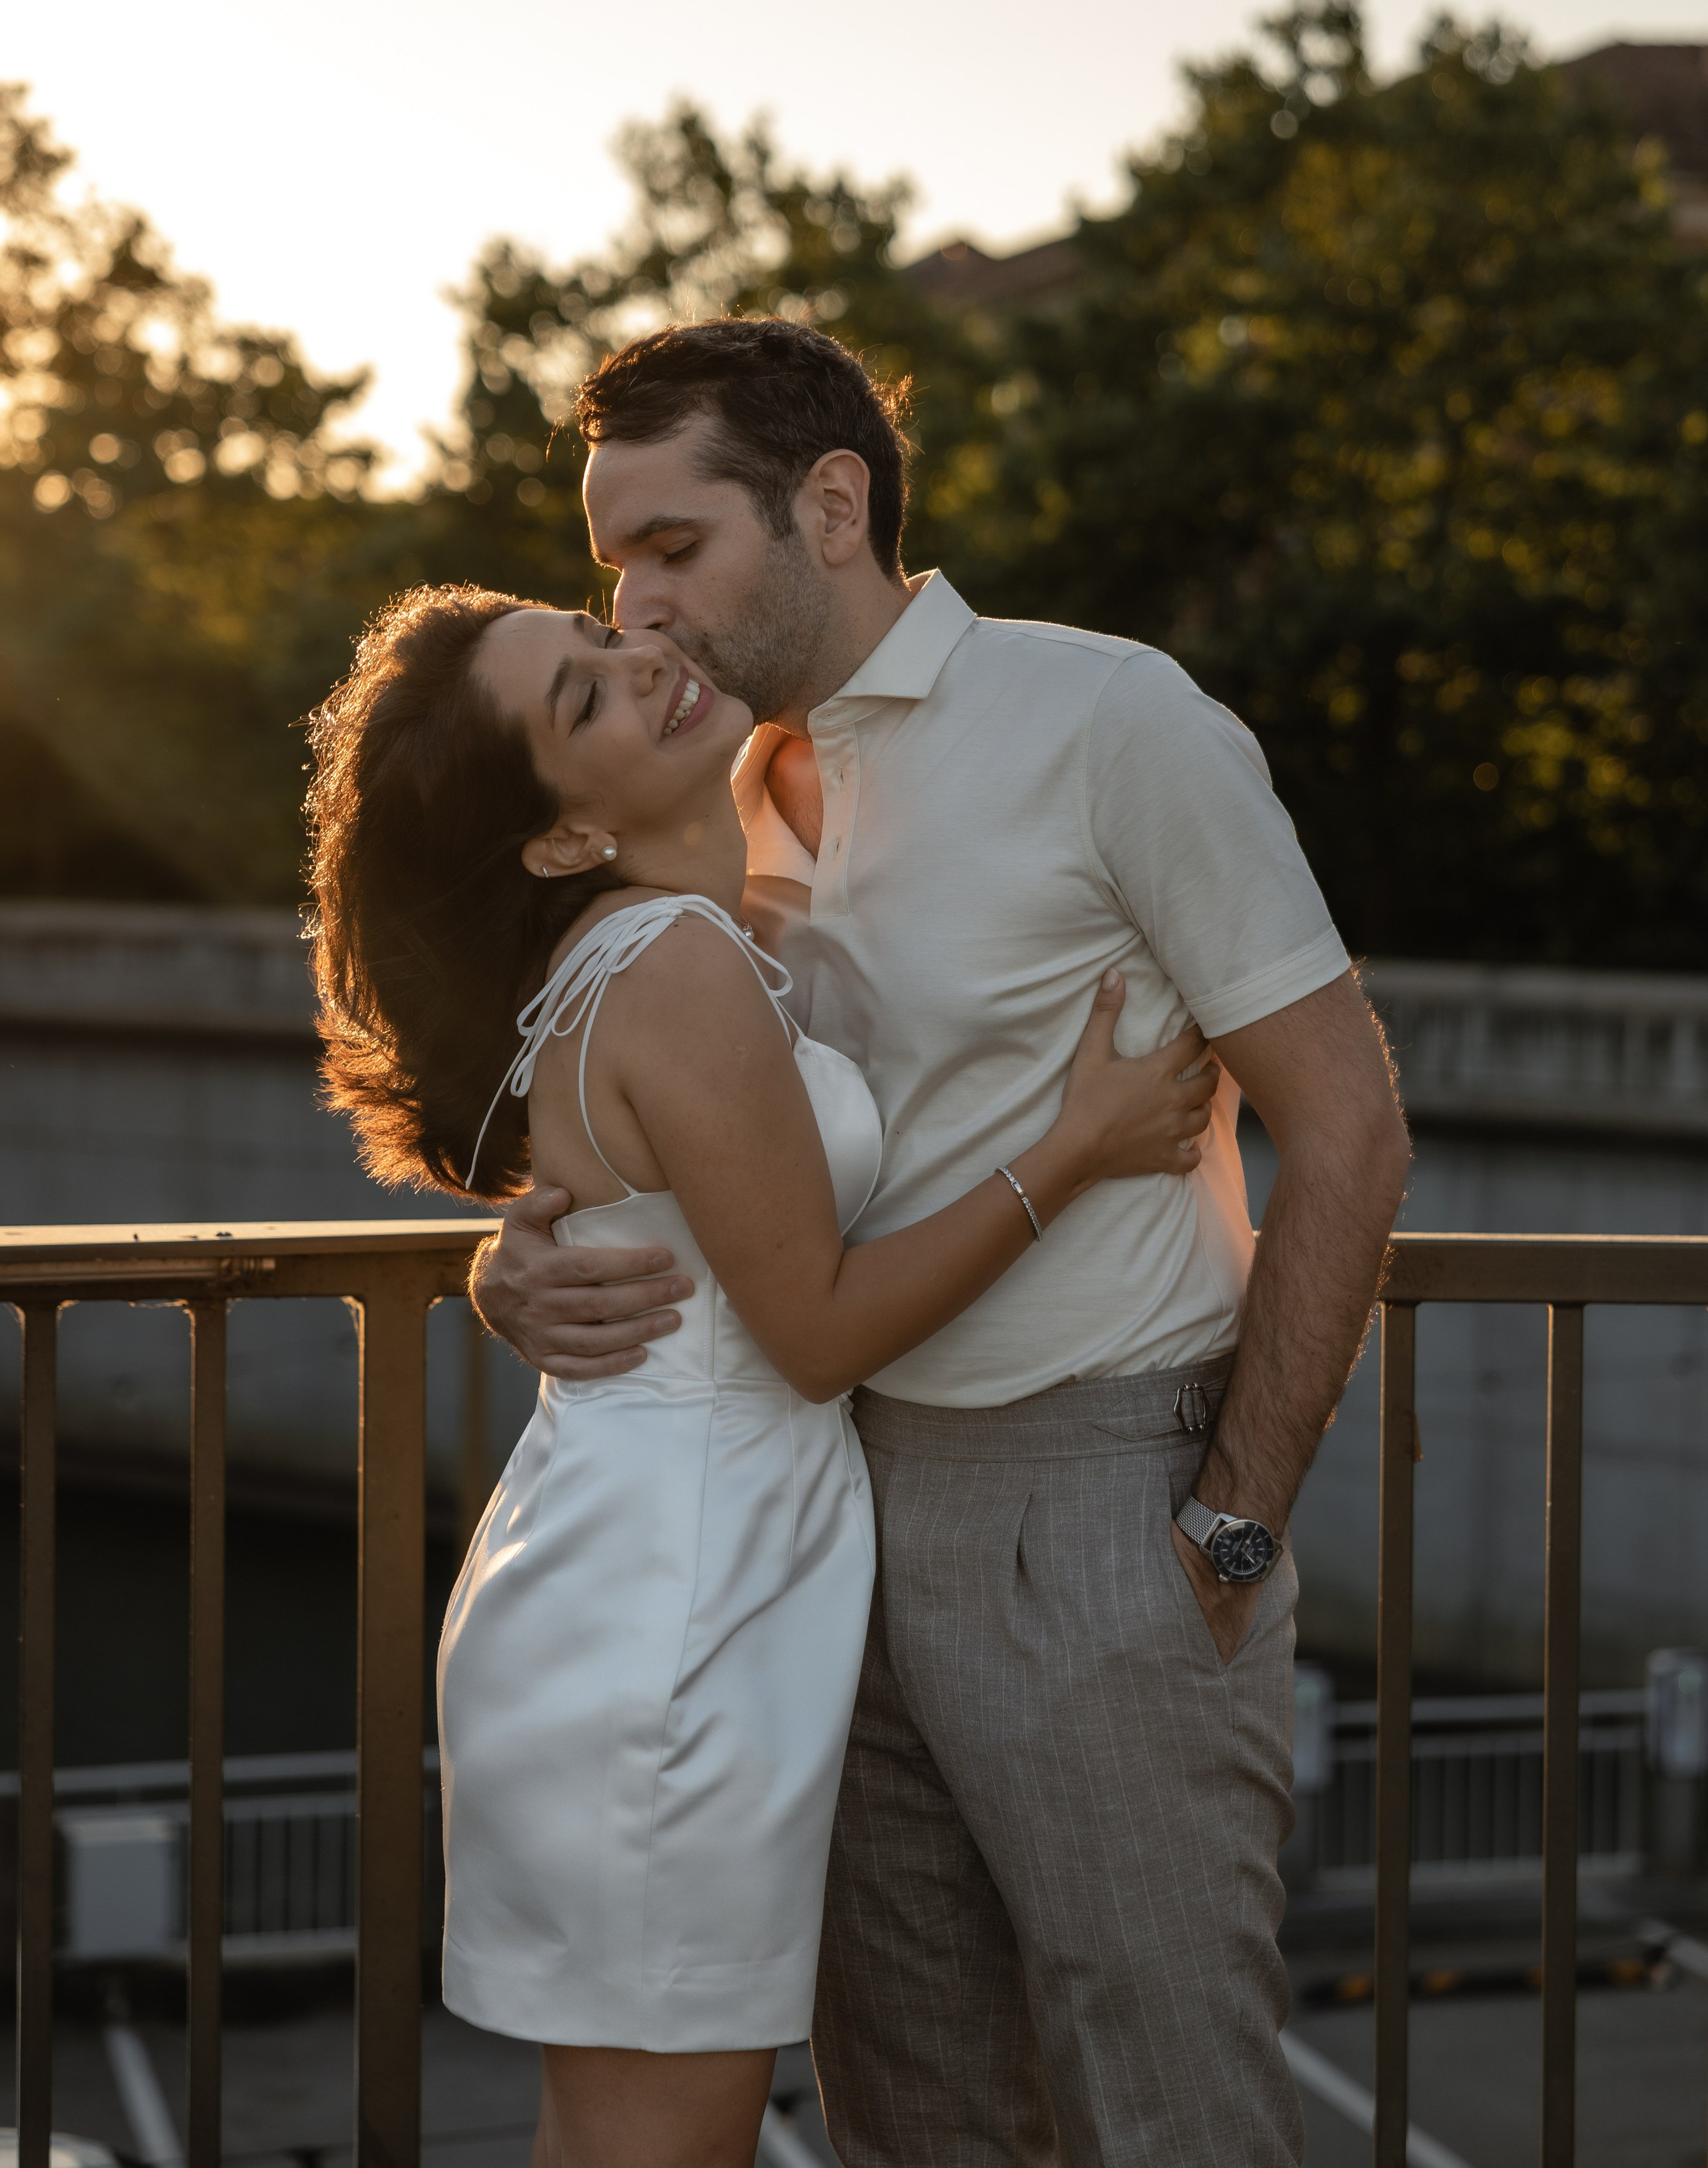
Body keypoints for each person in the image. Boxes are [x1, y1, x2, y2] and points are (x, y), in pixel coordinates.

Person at [474, 317, 1414, 2167]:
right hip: (814, 1523)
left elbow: (1352, 1123)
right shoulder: (722, 792)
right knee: (915, 2113)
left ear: (831, 506)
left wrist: (1233, 1511)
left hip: (1097, 1501)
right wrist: (514, 1260)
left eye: (672, 549)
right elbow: (669, 1122)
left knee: (1169, 2102)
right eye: (613, 568)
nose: (638, 610)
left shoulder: (1106, 717)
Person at [304, 582, 1217, 2168]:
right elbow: (813, 1331)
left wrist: (500, 1266)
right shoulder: (670, 963)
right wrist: (1077, 1147)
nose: (641, 658)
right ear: (560, 838)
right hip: (681, 1604)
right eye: (584, 699)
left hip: (641, 1564)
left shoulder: (670, 942)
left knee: (621, 2128)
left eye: (596, 637)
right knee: (669, 2134)